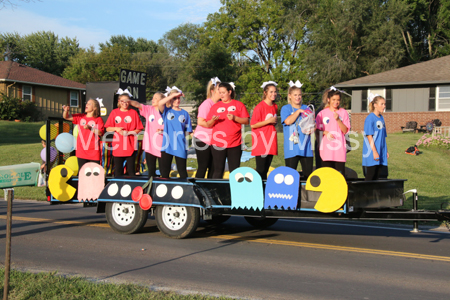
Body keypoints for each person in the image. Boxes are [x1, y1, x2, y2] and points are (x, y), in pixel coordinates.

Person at [207, 82, 249, 178]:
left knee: (235, 172)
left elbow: (246, 121)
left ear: (230, 92)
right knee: (218, 170)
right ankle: (216, 192)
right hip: (218, 143)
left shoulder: (239, 104)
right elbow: (208, 124)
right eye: (220, 92)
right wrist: (213, 120)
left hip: (235, 143)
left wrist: (235, 118)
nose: (221, 95)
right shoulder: (215, 106)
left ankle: (234, 192)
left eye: (223, 92)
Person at [121, 92, 165, 178]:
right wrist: (128, 101)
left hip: (162, 145)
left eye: (156, 98)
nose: (153, 100)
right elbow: (137, 105)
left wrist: (163, 130)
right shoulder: (149, 109)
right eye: (153, 98)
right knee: (151, 171)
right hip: (150, 145)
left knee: (163, 171)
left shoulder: (166, 111)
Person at [105, 91, 143, 177]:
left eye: (127, 101)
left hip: (130, 146)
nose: (125, 103)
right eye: (122, 101)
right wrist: (116, 129)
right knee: (118, 171)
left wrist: (129, 133)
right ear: (119, 101)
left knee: (131, 172)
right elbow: (107, 128)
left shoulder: (133, 113)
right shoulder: (114, 112)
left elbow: (139, 129)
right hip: (118, 146)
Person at [281, 80, 314, 179]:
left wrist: (312, 129)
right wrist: (298, 111)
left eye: (299, 95)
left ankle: (306, 195)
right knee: (290, 177)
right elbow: (287, 121)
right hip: (292, 148)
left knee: (308, 176)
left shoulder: (307, 108)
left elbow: (313, 124)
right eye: (295, 95)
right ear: (290, 95)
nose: (298, 97)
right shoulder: (286, 108)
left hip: (306, 147)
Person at [158, 87, 193, 179]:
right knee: (165, 173)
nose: (177, 100)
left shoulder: (185, 113)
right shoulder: (166, 111)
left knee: (182, 172)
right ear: (170, 98)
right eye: (175, 98)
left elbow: (188, 130)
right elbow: (160, 103)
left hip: (180, 145)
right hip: (167, 145)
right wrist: (173, 94)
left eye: (178, 98)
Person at [315, 87, 350, 175]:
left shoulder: (343, 113)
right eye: (333, 99)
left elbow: (345, 130)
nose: (336, 102)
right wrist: (325, 132)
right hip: (326, 151)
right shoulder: (322, 113)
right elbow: (316, 129)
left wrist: (338, 120)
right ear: (328, 99)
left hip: (339, 151)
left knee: (339, 177)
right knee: (327, 177)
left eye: (338, 100)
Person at [62, 98, 104, 170]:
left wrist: (91, 128)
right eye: (87, 103)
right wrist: (66, 111)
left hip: (94, 152)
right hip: (81, 151)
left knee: (94, 175)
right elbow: (66, 117)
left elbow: (100, 132)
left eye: (89, 104)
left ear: (95, 108)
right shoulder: (81, 117)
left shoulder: (98, 119)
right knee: (82, 173)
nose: (86, 105)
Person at [193, 77, 221, 178]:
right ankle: (197, 189)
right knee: (203, 166)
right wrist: (211, 122)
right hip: (202, 139)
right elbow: (200, 121)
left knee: (213, 167)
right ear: (212, 91)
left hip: (214, 140)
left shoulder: (219, 105)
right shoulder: (206, 104)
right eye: (219, 90)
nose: (221, 92)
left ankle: (209, 188)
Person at [250, 81, 278, 180]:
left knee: (266, 170)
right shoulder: (260, 107)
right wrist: (268, 121)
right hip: (261, 142)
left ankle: (265, 192)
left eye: (275, 92)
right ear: (265, 93)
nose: (273, 94)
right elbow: (253, 124)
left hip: (271, 141)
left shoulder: (275, 106)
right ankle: (258, 192)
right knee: (260, 171)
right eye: (271, 92)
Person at [363, 94, 389, 180]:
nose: (384, 106)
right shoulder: (370, 118)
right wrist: (374, 152)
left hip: (381, 152)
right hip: (372, 152)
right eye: (381, 104)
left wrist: (386, 151)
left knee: (380, 176)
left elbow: (383, 137)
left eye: (384, 104)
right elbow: (369, 136)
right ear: (375, 105)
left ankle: (376, 194)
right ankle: (365, 193)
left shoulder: (381, 118)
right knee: (371, 176)